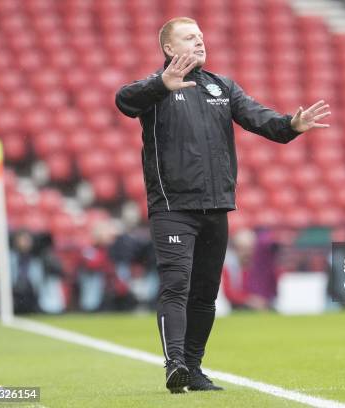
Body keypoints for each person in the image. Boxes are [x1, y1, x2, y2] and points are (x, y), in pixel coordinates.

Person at [115, 17, 331, 394]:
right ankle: (175, 364)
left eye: (201, 36)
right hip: (173, 209)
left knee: (205, 293)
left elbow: (263, 122)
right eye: (188, 37)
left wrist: (292, 125)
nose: (200, 42)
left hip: (216, 208)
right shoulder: (156, 88)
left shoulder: (222, 86)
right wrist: (159, 84)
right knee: (176, 286)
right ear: (168, 48)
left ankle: (193, 369)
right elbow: (124, 100)